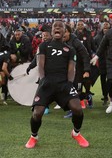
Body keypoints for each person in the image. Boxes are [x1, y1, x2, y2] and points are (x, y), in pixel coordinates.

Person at [25, 21, 89, 149]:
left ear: (65, 31)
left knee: (77, 109)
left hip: (64, 84)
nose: (58, 28)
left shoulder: (70, 50)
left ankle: (76, 133)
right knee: (37, 113)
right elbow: (40, 65)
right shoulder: (44, 46)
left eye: (61, 27)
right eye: (55, 27)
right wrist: (43, 80)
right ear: (52, 31)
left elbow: (72, 70)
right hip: (47, 83)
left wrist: (69, 84)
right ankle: (34, 136)